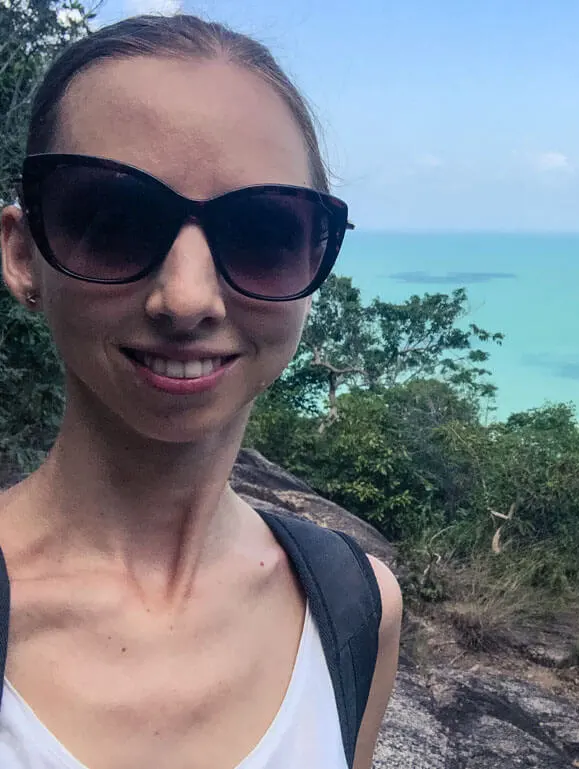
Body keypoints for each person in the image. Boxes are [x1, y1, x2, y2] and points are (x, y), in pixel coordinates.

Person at [0, 12, 402, 769]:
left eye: (260, 233)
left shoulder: (354, 611)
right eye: (113, 220)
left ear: (315, 261)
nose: (186, 299)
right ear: (24, 255)